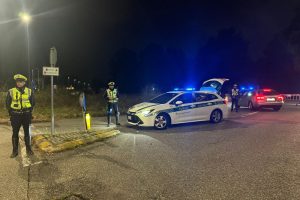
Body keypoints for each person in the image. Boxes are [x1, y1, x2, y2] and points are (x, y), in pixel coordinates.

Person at [6, 74, 35, 158]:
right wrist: (11, 113)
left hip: (26, 115)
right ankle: (14, 151)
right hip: (15, 115)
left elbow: (33, 102)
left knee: (27, 132)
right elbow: (7, 103)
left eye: (21, 81)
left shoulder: (29, 91)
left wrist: (29, 112)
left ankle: (28, 149)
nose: (19, 83)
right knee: (15, 133)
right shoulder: (11, 91)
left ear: (24, 82)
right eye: (17, 81)